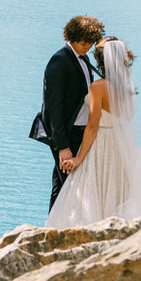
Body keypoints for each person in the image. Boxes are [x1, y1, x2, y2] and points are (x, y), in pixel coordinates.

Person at [44, 36, 141, 228]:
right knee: (114, 189)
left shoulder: (98, 87)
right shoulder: (126, 88)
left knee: (90, 191)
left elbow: (93, 125)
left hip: (100, 142)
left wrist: (78, 158)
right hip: (118, 143)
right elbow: (127, 117)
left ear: (102, 61)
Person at [30, 15, 105, 209]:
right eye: (83, 42)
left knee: (61, 184)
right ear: (71, 37)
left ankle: (52, 227)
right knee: (71, 185)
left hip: (79, 131)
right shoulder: (60, 61)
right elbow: (53, 106)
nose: (87, 47)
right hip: (65, 134)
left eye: (90, 43)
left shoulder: (83, 58)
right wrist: (62, 146)